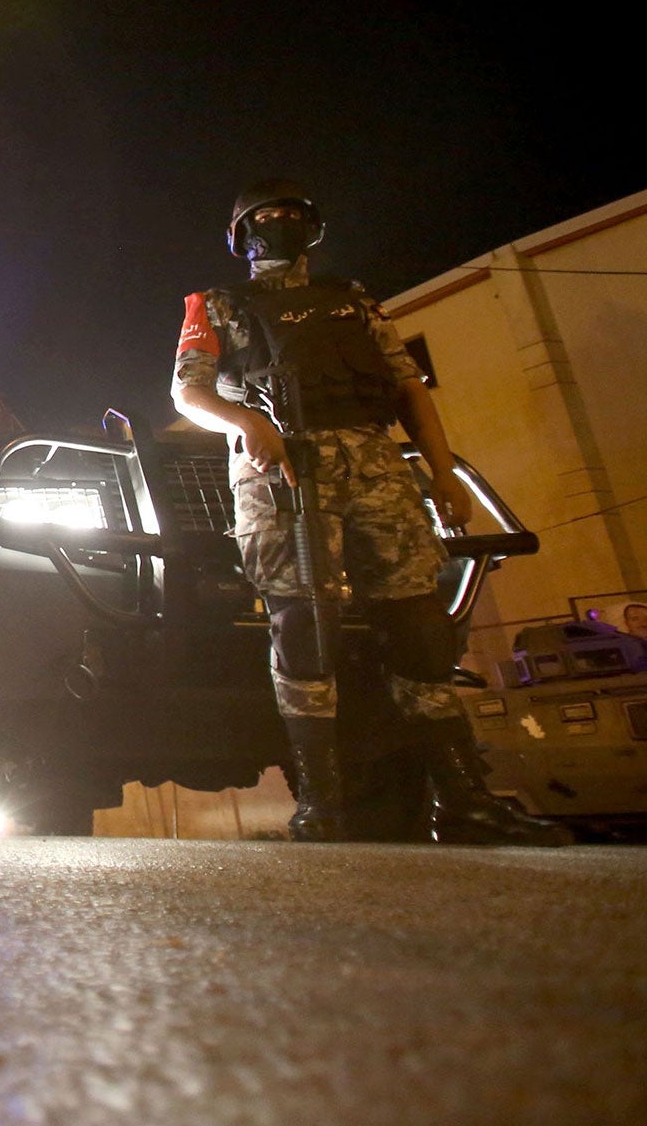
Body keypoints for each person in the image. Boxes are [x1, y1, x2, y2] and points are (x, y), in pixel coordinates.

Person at [173, 179, 567, 845]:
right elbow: (188, 390)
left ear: (313, 227)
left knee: (419, 629)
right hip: (285, 477)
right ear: (242, 235)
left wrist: (443, 473)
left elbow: (410, 387)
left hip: (376, 470)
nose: (280, 224)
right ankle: (322, 805)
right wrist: (242, 420)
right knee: (304, 631)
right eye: (266, 217)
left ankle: (464, 801)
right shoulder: (217, 305)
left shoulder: (351, 300)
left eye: (293, 214)